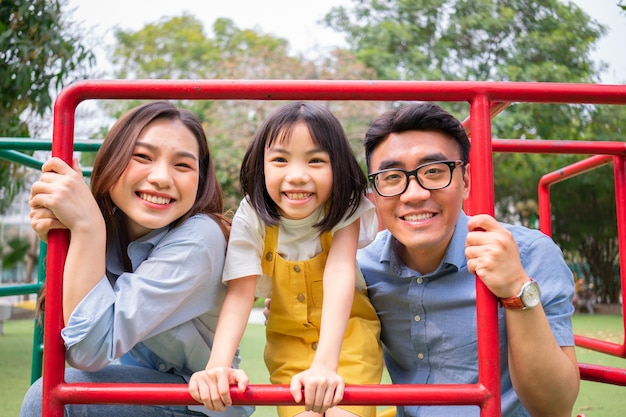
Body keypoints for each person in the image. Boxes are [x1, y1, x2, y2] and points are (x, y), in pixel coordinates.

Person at [21, 101, 254, 417]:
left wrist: (86, 228)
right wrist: (71, 236)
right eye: (142, 157)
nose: (160, 178)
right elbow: (67, 333)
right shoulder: (111, 233)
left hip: (198, 401)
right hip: (144, 388)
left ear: (200, 181)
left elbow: (88, 351)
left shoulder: (200, 238)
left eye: (183, 166)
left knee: (51, 397)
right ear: (110, 162)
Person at [359, 102, 580, 417]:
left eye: (433, 171)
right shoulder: (361, 268)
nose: (414, 193)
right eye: (392, 177)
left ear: (466, 181)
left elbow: (555, 408)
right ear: (376, 192)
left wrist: (516, 287)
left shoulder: (529, 253)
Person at [189, 102, 383, 417]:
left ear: (337, 166)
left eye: (316, 160)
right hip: (286, 343)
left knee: (341, 414)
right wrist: (218, 365)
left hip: (348, 336)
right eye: (280, 159)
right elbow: (240, 293)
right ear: (260, 165)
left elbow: (340, 272)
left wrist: (325, 365)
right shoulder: (251, 215)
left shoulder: (344, 206)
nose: (297, 176)